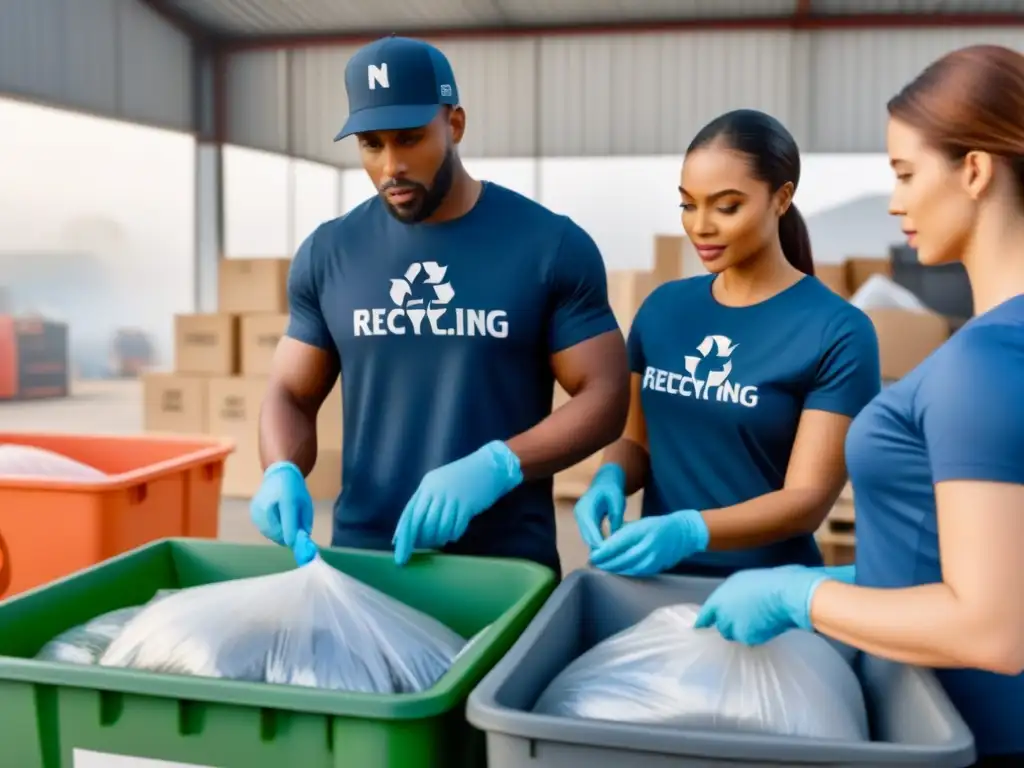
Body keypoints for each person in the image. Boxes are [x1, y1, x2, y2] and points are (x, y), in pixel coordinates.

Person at [694, 45, 1024, 766]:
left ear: (974, 170)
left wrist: (798, 595)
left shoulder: (986, 362)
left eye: (905, 174)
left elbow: (993, 628)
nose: (897, 201)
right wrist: (850, 581)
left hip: (968, 734)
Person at [249, 36, 629, 576]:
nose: (391, 166)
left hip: (504, 567)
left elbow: (607, 396)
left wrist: (499, 465)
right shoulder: (330, 253)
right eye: (371, 144)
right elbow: (290, 390)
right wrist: (280, 469)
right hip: (365, 559)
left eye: (410, 139)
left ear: (454, 124)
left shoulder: (548, 246)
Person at [573, 109, 881, 579]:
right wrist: (610, 475)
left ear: (782, 198)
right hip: (654, 582)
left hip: (765, 598)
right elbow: (636, 439)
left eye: (726, 206)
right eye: (687, 205)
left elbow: (806, 501)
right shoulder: (663, 310)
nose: (700, 226)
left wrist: (691, 530)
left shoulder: (837, 332)